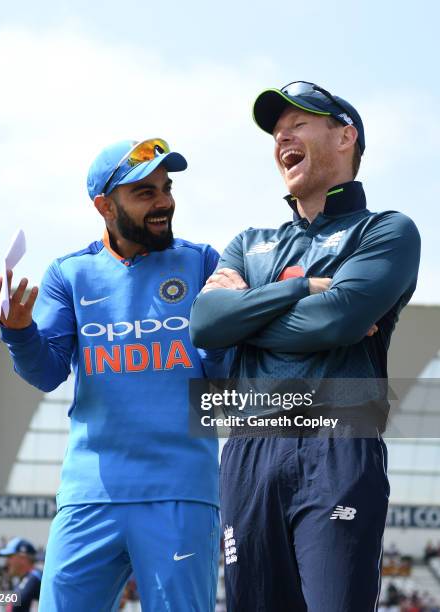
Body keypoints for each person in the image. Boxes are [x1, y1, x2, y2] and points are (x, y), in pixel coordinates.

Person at [190, 81, 421, 611]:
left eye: (297, 124)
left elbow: (338, 322)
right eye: (276, 131)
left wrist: (245, 314)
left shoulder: (385, 230)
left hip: (338, 441)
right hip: (249, 448)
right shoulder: (249, 242)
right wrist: (298, 291)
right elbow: (204, 325)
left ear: (346, 136)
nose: (281, 138)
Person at [0, 138, 229, 611]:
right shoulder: (70, 274)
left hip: (180, 489)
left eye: (166, 188)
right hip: (89, 493)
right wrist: (19, 331)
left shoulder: (203, 263)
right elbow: (46, 372)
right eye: (145, 192)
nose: (164, 202)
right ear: (104, 205)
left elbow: (224, 374)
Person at [0, 537, 41, 612]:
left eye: (9, 557)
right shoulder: (24, 580)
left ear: (23, 558)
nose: (6, 562)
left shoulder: (35, 578)